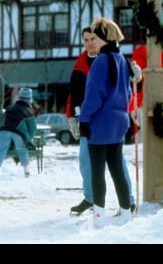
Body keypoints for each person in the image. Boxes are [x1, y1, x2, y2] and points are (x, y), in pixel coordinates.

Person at [67, 27, 137, 216]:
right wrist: (71, 116)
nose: (89, 43)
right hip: (106, 120)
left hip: (96, 121)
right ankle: (93, 199)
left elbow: (96, 96)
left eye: (93, 38)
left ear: (102, 39)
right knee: (88, 161)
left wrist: (85, 119)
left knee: (110, 166)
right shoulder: (82, 64)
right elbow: (74, 95)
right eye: (86, 40)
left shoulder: (106, 60)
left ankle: (118, 206)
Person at [0, 88, 37, 179]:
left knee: (0, 151)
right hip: (19, 133)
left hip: (4, 130)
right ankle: (26, 171)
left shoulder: (10, 108)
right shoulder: (28, 111)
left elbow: (1, 122)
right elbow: (33, 129)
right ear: (30, 99)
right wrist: (28, 139)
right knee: (22, 150)